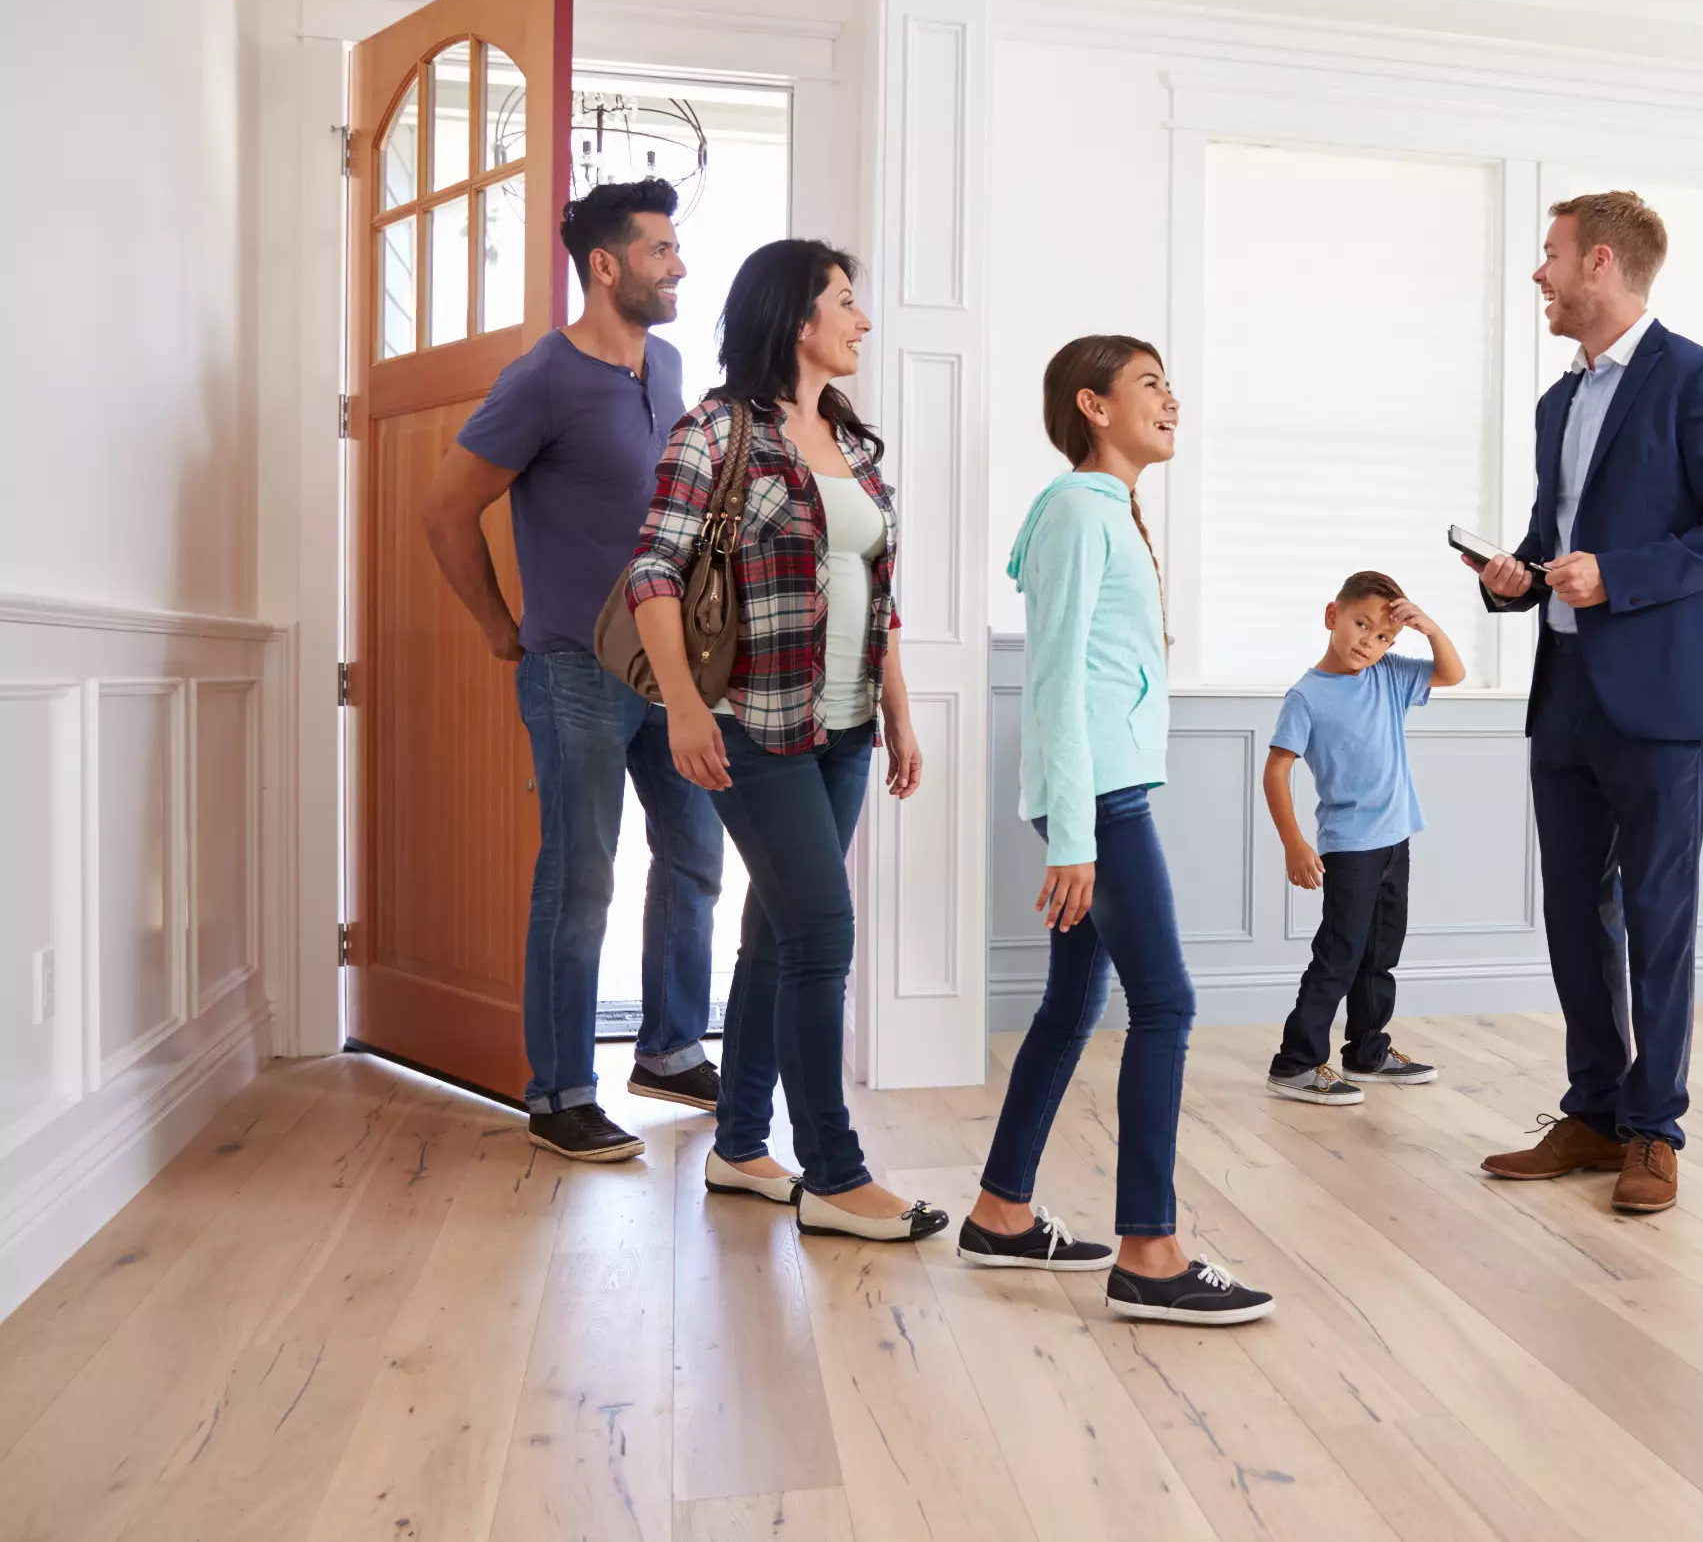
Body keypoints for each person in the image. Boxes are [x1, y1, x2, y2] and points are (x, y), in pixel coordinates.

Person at [623, 239, 942, 1242]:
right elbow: (656, 572)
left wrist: (895, 707)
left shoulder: (851, 440)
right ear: (799, 317)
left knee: (774, 933)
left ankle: (739, 1145)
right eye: (847, 301)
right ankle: (835, 1174)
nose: (863, 319)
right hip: (753, 724)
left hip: (843, 723)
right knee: (820, 933)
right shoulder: (721, 431)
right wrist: (681, 704)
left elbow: (876, 592)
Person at [1466, 190, 1703, 1215]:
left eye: (1548, 256)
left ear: (1599, 262)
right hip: (1564, 697)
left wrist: (1620, 576)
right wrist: (1516, 573)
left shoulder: (1701, 378)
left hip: (1661, 696)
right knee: (1569, 912)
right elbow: (1557, 533)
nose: (1538, 276)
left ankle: (1654, 1130)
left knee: (1655, 916)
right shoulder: (1559, 401)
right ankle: (1594, 1111)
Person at [960, 335, 1275, 1322]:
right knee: (1167, 1004)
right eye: (1149, 384)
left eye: (1170, 384)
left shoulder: (1102, 512)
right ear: (1093, 406)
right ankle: (1149, 1247)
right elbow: (1052, 676)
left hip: (1099, 791)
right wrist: (1072, 835)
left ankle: (1000, 1207)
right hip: (1099, 801)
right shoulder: (1073, 512)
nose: (1170, 399)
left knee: (1069, 1003)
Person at [420, 177, 723, 1163]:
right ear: (605, 263)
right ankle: (557, 1091)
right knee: (581, 874)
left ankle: (672, 1047)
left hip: (669, 668)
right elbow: (443, 511)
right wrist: (499, 625)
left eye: (677, 248)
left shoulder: (668, 364)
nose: (677, 264)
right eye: (660, 249)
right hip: (575, 669)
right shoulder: (542, 377)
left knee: (695, 853)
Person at [1262, 571, 1464, 1104]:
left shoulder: (1389, 675)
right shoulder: (1306, 696)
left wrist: (1431, 628)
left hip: (1396, 838)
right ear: (1332, 616)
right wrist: (1294, 842)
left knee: (1381, 951)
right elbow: (1276, 769)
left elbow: (1453, 673)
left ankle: (1368, 1049)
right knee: (1340, 953)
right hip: (1350, 846)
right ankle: (1297, 1062)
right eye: (1361, 625)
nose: (1369, 643)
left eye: (1383, 637)